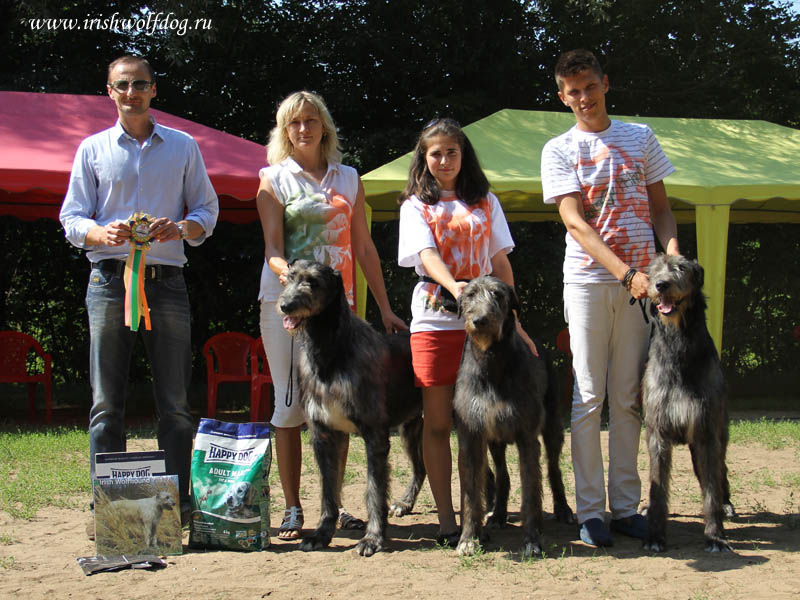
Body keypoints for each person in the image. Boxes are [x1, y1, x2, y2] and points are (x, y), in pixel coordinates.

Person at [59, 55, 219, 533]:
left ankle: (177, 507)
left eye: (140, 85)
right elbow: (71, 219)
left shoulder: (184, 147)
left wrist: (183, 227)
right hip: (108, 283)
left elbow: (207, 211)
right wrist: (98, 234)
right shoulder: (91, 149)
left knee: (174, 403)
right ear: (109, 91)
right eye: (122, 85)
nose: (131, 92)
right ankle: (106, 508)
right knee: (106, 403)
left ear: (154, 91)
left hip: (167, 284)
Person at [541, 49, 680, 547]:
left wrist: (670, 261)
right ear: (562, 97)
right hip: (588, 282)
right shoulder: (558, 149)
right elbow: (575, 223)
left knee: (626, 397)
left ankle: (624, 507)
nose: (583, 97)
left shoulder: (640, 137)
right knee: (587, 395)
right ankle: (591, 512)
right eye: (572, 91)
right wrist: (626, 274)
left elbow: (662, 210)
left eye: (589, 87)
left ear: (605, 83)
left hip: (644, 283)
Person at [256, 91, 407, 540]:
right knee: (292, 407)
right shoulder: (272, 178)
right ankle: (293, 507)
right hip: (287, 306)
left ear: (324, 126)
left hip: (340, 311)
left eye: (311, 121)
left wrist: (383, 307)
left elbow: (362, 248)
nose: (303, 129)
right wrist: (294, 283)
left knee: (340, 408)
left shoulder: (349, 178)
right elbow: (272, 250)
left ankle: (335, 508)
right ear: (285, 131)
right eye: (294, 123)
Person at [398, 118, 536, 546]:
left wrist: (516, 321)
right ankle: (448, 519)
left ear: (463, 154)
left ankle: (477, 513)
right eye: (434, 153)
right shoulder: (414, 205)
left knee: (477, 425)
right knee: (439, 424)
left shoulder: (485, 201)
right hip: (436, 321)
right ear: (424, 157)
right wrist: (455, 286)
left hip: (488, 323)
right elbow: (426, 254)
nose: (443, 160)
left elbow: (499, 262)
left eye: (451, 152)